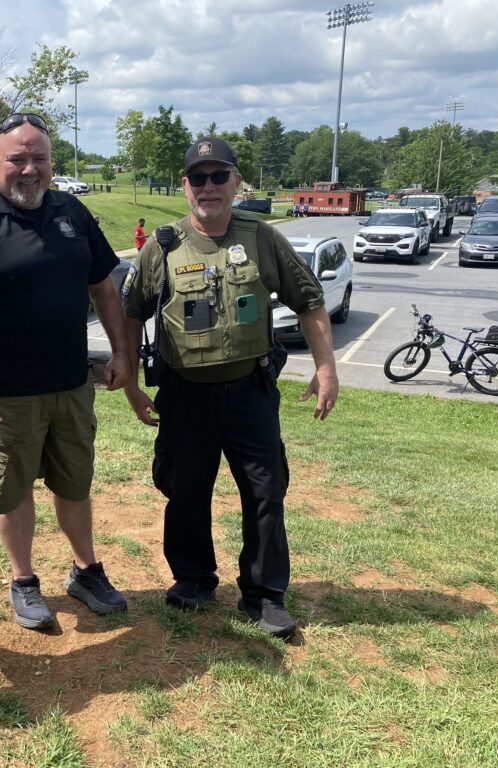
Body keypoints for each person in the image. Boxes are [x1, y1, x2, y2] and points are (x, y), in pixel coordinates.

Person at [120, 137, 338, 639]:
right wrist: (130, 384)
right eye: (199, 178)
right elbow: (131, 314)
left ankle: (263, 595)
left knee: (265, 494)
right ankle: (193, 580)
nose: (209, 187)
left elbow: (309, 302)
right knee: (185, 491)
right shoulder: (162, 245)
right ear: (185, 185)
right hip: (184, 395)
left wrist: (326, 369)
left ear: (236, 182)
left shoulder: (262, 238)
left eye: (219, 176)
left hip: (249, 393)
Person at [0, 112, 131, 629]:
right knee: (12, 492)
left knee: (74, 484)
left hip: (71, 385)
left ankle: (86, 571)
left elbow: (103, 287)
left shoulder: (71, 212)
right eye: (18, 159)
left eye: (40, 158)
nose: (30, 169)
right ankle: (24, 581)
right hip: (2, 393)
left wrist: (122, 353)